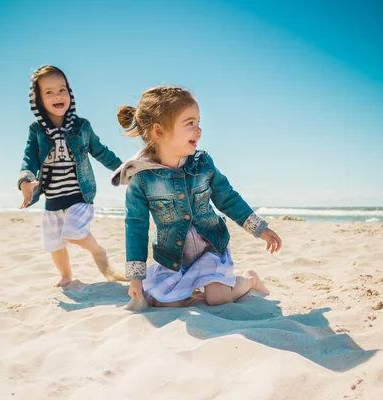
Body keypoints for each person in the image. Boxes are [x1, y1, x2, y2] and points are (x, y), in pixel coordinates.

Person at [112, 86, 282, 307]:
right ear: (159, 131)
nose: (199, 129)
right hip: (173, 256)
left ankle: (249, 280)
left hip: (210, 248)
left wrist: (259, 228)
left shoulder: (202, 163)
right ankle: (187, 287)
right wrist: (136, 278)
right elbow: (136, 226)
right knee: (164, 303)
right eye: (190, 123)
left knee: (218, 299)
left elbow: (228, 198)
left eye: (198, 122)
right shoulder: (141, 179)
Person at [18, 65, 124, 286]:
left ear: (70, 93)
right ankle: (66, 276)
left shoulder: (81, 126)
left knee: (73, 233)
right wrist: (25, 181)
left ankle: (98, 250)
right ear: (38, 100)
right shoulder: (36, 130)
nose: (58, 95)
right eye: (49, 92)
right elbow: (29, 158)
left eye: (62, 89)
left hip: (79, 195)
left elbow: (101, 152)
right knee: (54, 244)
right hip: (52, 199)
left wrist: (124, 170)